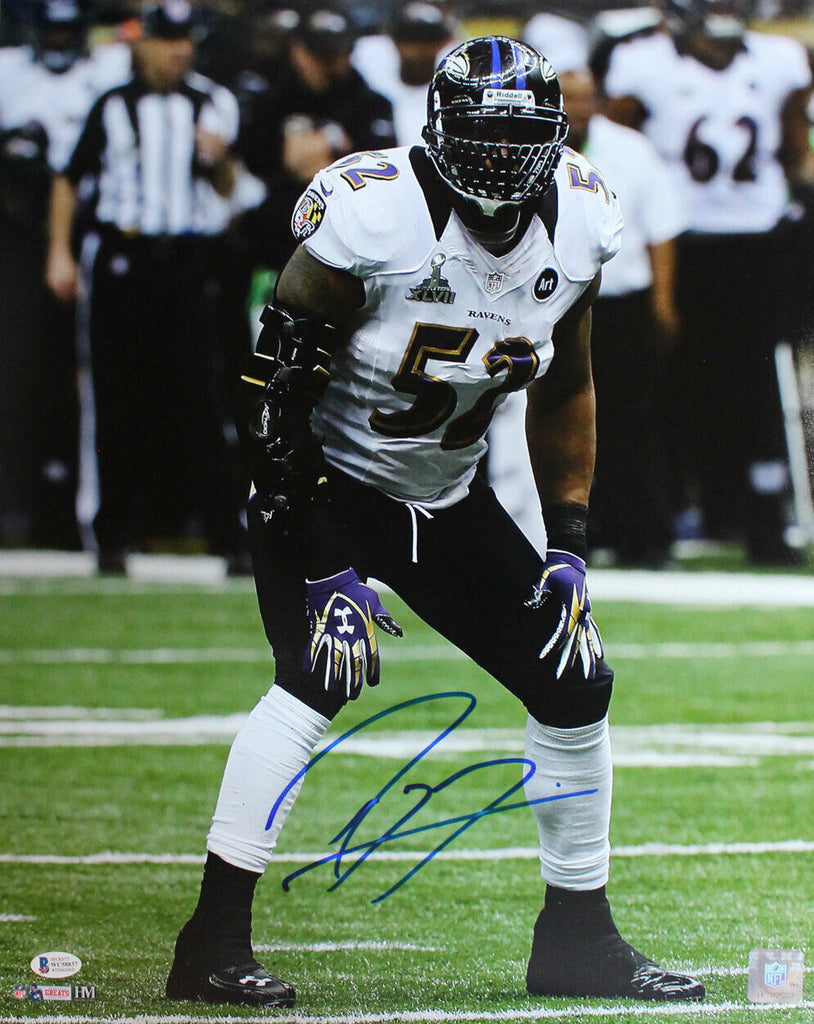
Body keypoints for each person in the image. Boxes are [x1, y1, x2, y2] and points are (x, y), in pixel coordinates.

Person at [165, 36, 706, 1009]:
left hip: (446, 491)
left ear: (555, 139)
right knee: (317, 675)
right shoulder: (373, 211)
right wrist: (326, 566)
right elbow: (270, 399)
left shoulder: (581, 219)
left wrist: (568, 546)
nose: (501, 156)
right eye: (483, 134)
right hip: (321, 480)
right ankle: (210, 943)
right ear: (438, 127)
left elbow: (565, 387)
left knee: (574, 678)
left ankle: (577, 941)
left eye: (521, 137)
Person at [603, 0, 814, 563]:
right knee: (671, 376)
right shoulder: (643, 62)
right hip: (681, 241)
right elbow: (620, 151)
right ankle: (675, 507)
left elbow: (796, 150)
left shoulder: (779, 60)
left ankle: (761, 515)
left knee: (757, 381)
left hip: (759, 241)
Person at [46, 0, 247, 573]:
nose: (180, 51)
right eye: (168, 40)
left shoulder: (211, 102)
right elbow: (69, 178)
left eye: (187, 40)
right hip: (122, 259)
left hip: (186, 260)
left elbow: (229, 193)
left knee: (203, 400)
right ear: (143, 45)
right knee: (115, 400)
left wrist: (220, 158)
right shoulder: (111, 105)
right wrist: (60, 251)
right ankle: (111, 537)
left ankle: (229, 536)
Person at [489, 65, 685, 566]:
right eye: (567, 99)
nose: (576, 108)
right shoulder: (519, 149)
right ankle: (571, 532)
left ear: (598, 101)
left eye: (584, 98)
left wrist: (663, 301)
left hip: (619, 302)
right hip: (545, 301)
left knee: (627, 420)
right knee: (551, 412)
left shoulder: (630, 150)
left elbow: (661, 227)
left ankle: (641, 534)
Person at [0, 0, 130, 549]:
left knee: (90, 375)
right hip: (16, 237)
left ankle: (85, 513)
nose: (57, 44)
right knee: (22, 374)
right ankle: (26, 507)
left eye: (64, 34)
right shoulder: (10, 73)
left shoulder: (106, 75)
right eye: (49, 34)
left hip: (88, 233)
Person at [238, 5, 396, 276]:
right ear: (298, 51)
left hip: (351, 231)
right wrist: (332, 149)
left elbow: (384, 172)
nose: (328, 64)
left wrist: (315, 152)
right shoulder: (272, 99)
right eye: (320, 54)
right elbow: (259, 161)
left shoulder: (372, 104)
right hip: (280, 231)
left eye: (338, 54)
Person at [351, 1, 457, 146]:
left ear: (443, 43)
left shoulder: (450, 92)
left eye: (429, 40)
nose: (419, 49)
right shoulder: (368, 68)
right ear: (395, 41)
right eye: (410, 40)